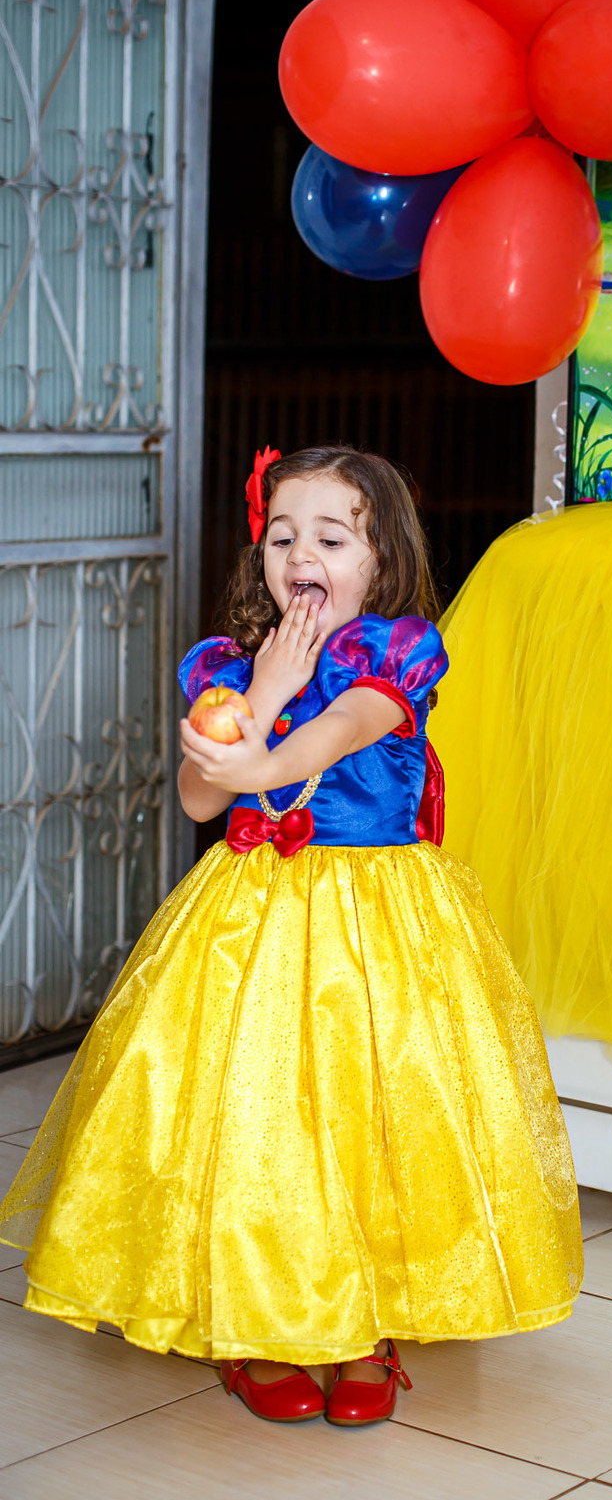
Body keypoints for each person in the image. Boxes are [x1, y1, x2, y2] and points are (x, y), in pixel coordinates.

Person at [0, 444, 582, 1426]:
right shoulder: (229, 667)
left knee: (379, 1119)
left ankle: (366, 1323)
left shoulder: (392, 656)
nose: (300, 553)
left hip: (380, 925)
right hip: (249, 916)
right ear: (259, 554)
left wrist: (260, 739)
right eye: (281, 535)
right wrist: (261, 690)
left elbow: (332, 740)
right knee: (258, 1119)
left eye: (330, 536)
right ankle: (258, 1321)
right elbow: (195, 797)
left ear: (380, 560)